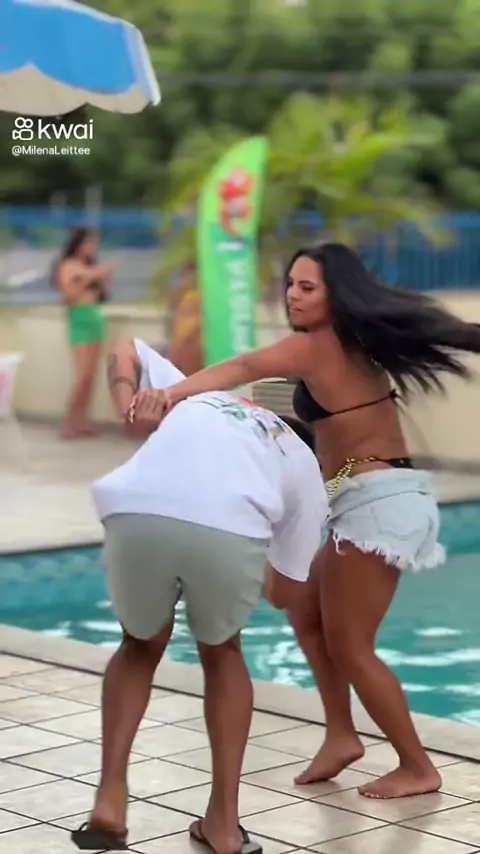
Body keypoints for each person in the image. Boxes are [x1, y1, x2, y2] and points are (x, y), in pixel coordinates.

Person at [128, 242, 480, 800]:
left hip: (378, 501)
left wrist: (170, 391)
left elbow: (244, 367)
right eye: (290, 284)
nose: (293, 294)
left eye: (307, 287)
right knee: (304, 612)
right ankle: (341, 735)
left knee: (352, 644)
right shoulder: (353, 339)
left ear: (335, 294)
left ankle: (417, 766)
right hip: (367, 495)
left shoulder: (315, 345)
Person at [71, 337, 327, 854]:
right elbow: (283, 595)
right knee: (223, 650)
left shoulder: (202, 395)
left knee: (138, 647)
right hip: (229, 525)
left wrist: (128, 403)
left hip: (137, 507)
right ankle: (224, 826)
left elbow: (123, 346)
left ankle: (110, 798)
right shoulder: (304, 464)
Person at [53, 227, 113, 439]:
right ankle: (69, 421)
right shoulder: (67, 266)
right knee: (82, 376)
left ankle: (82, 420)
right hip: (79, 319)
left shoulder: (89, 266)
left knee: (91, 377)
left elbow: (101, 295)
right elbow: (69, 295)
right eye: (88, 243)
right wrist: (90, 276)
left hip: (94, 317)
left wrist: (101, 279)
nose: (91, 247)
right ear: (78, 244)